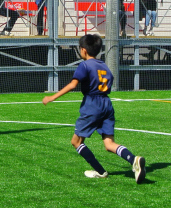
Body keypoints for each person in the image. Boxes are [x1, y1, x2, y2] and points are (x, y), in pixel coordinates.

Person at [42, 34, 146, 182]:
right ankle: (133, 159)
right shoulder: (104, 66)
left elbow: (73, 85)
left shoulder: (84, 65)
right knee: (109, 144)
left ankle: (101, 171)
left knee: (76, 142)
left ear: (83, 50)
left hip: (92, 104)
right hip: (107, 104)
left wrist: (52, 97)